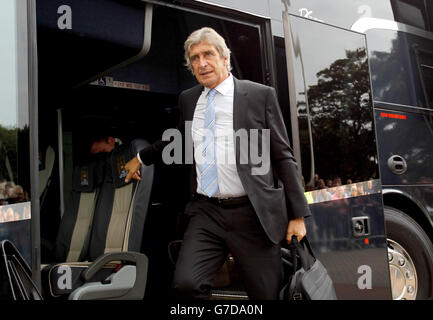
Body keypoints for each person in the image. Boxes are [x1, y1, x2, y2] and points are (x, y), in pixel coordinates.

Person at [124, 27, 311, 300]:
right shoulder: (188, 99)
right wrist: (140, 158)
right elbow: (177, 139)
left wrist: (297, 216)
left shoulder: (259, 96)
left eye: (208, 54)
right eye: (195, 58)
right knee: (186, 284)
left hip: (252, 214)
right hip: (207, 212)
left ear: (225, 58)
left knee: (266, 294)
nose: (201, 63)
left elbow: (283, 156)